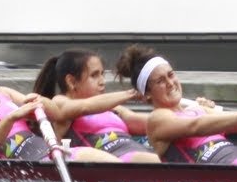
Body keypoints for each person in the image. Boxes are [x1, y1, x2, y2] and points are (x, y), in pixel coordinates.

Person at [115, 45, 237, 166]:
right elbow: (195, 126)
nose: (170, 83)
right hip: (217, 175)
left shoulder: (198, 109)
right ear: (147, 94)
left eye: (171, 75)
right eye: (160, 81)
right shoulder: (158, 118)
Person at [0, 43, 114, 162]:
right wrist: (10, 119)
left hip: (51, 155)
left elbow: (56, 114)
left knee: (105, 161)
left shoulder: (2, 93)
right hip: (25, 170)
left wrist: (39, 101)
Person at [32, 48, 160, 162]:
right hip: (105, 165)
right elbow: (85, 106)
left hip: (138, 155)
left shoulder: (114, 109)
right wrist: (132, 93)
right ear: (71, 82)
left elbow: (151, 123)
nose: (102, 82)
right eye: (94, 75)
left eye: (102, 74)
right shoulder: (60, 102)